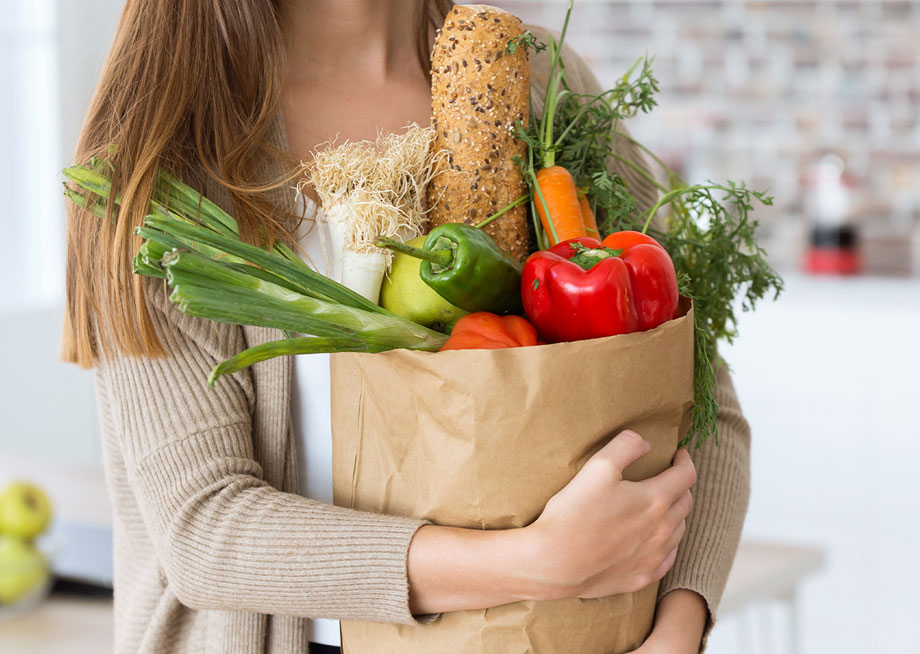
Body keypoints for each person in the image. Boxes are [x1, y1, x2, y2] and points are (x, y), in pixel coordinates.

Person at [62, 2, 750, 653]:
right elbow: (205, 532)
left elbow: (694, 396)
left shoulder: (540, 84)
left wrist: (677, 627)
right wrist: (538, 563)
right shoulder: (165, 155)